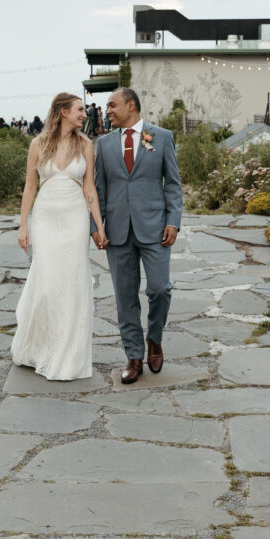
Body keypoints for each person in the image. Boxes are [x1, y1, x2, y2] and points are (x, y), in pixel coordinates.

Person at [12, 92, 107, 380]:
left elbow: (89, 189)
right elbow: (30, 187)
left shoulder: (86, 145)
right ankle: (41, 347)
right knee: (48, 283)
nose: (84, 114)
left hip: (75, 217)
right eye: (79, 109)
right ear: (63, 111)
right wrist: (23, 225)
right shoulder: (38, 144)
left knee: (73, 281)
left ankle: (69, 355)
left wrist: (100, 227)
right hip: (46, 217)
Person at [92, 87, 182, 384]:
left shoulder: (162, 137)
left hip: (155, 227)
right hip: (117, 232)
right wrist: (96, 227)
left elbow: (172, 184)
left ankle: (154, 339)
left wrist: (174, 221)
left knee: (160, 289)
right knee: (124, 297)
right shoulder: (103, 145)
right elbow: (98, 189)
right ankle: (133, 356)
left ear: (131, 106)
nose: (108, 110)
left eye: (112, 105)